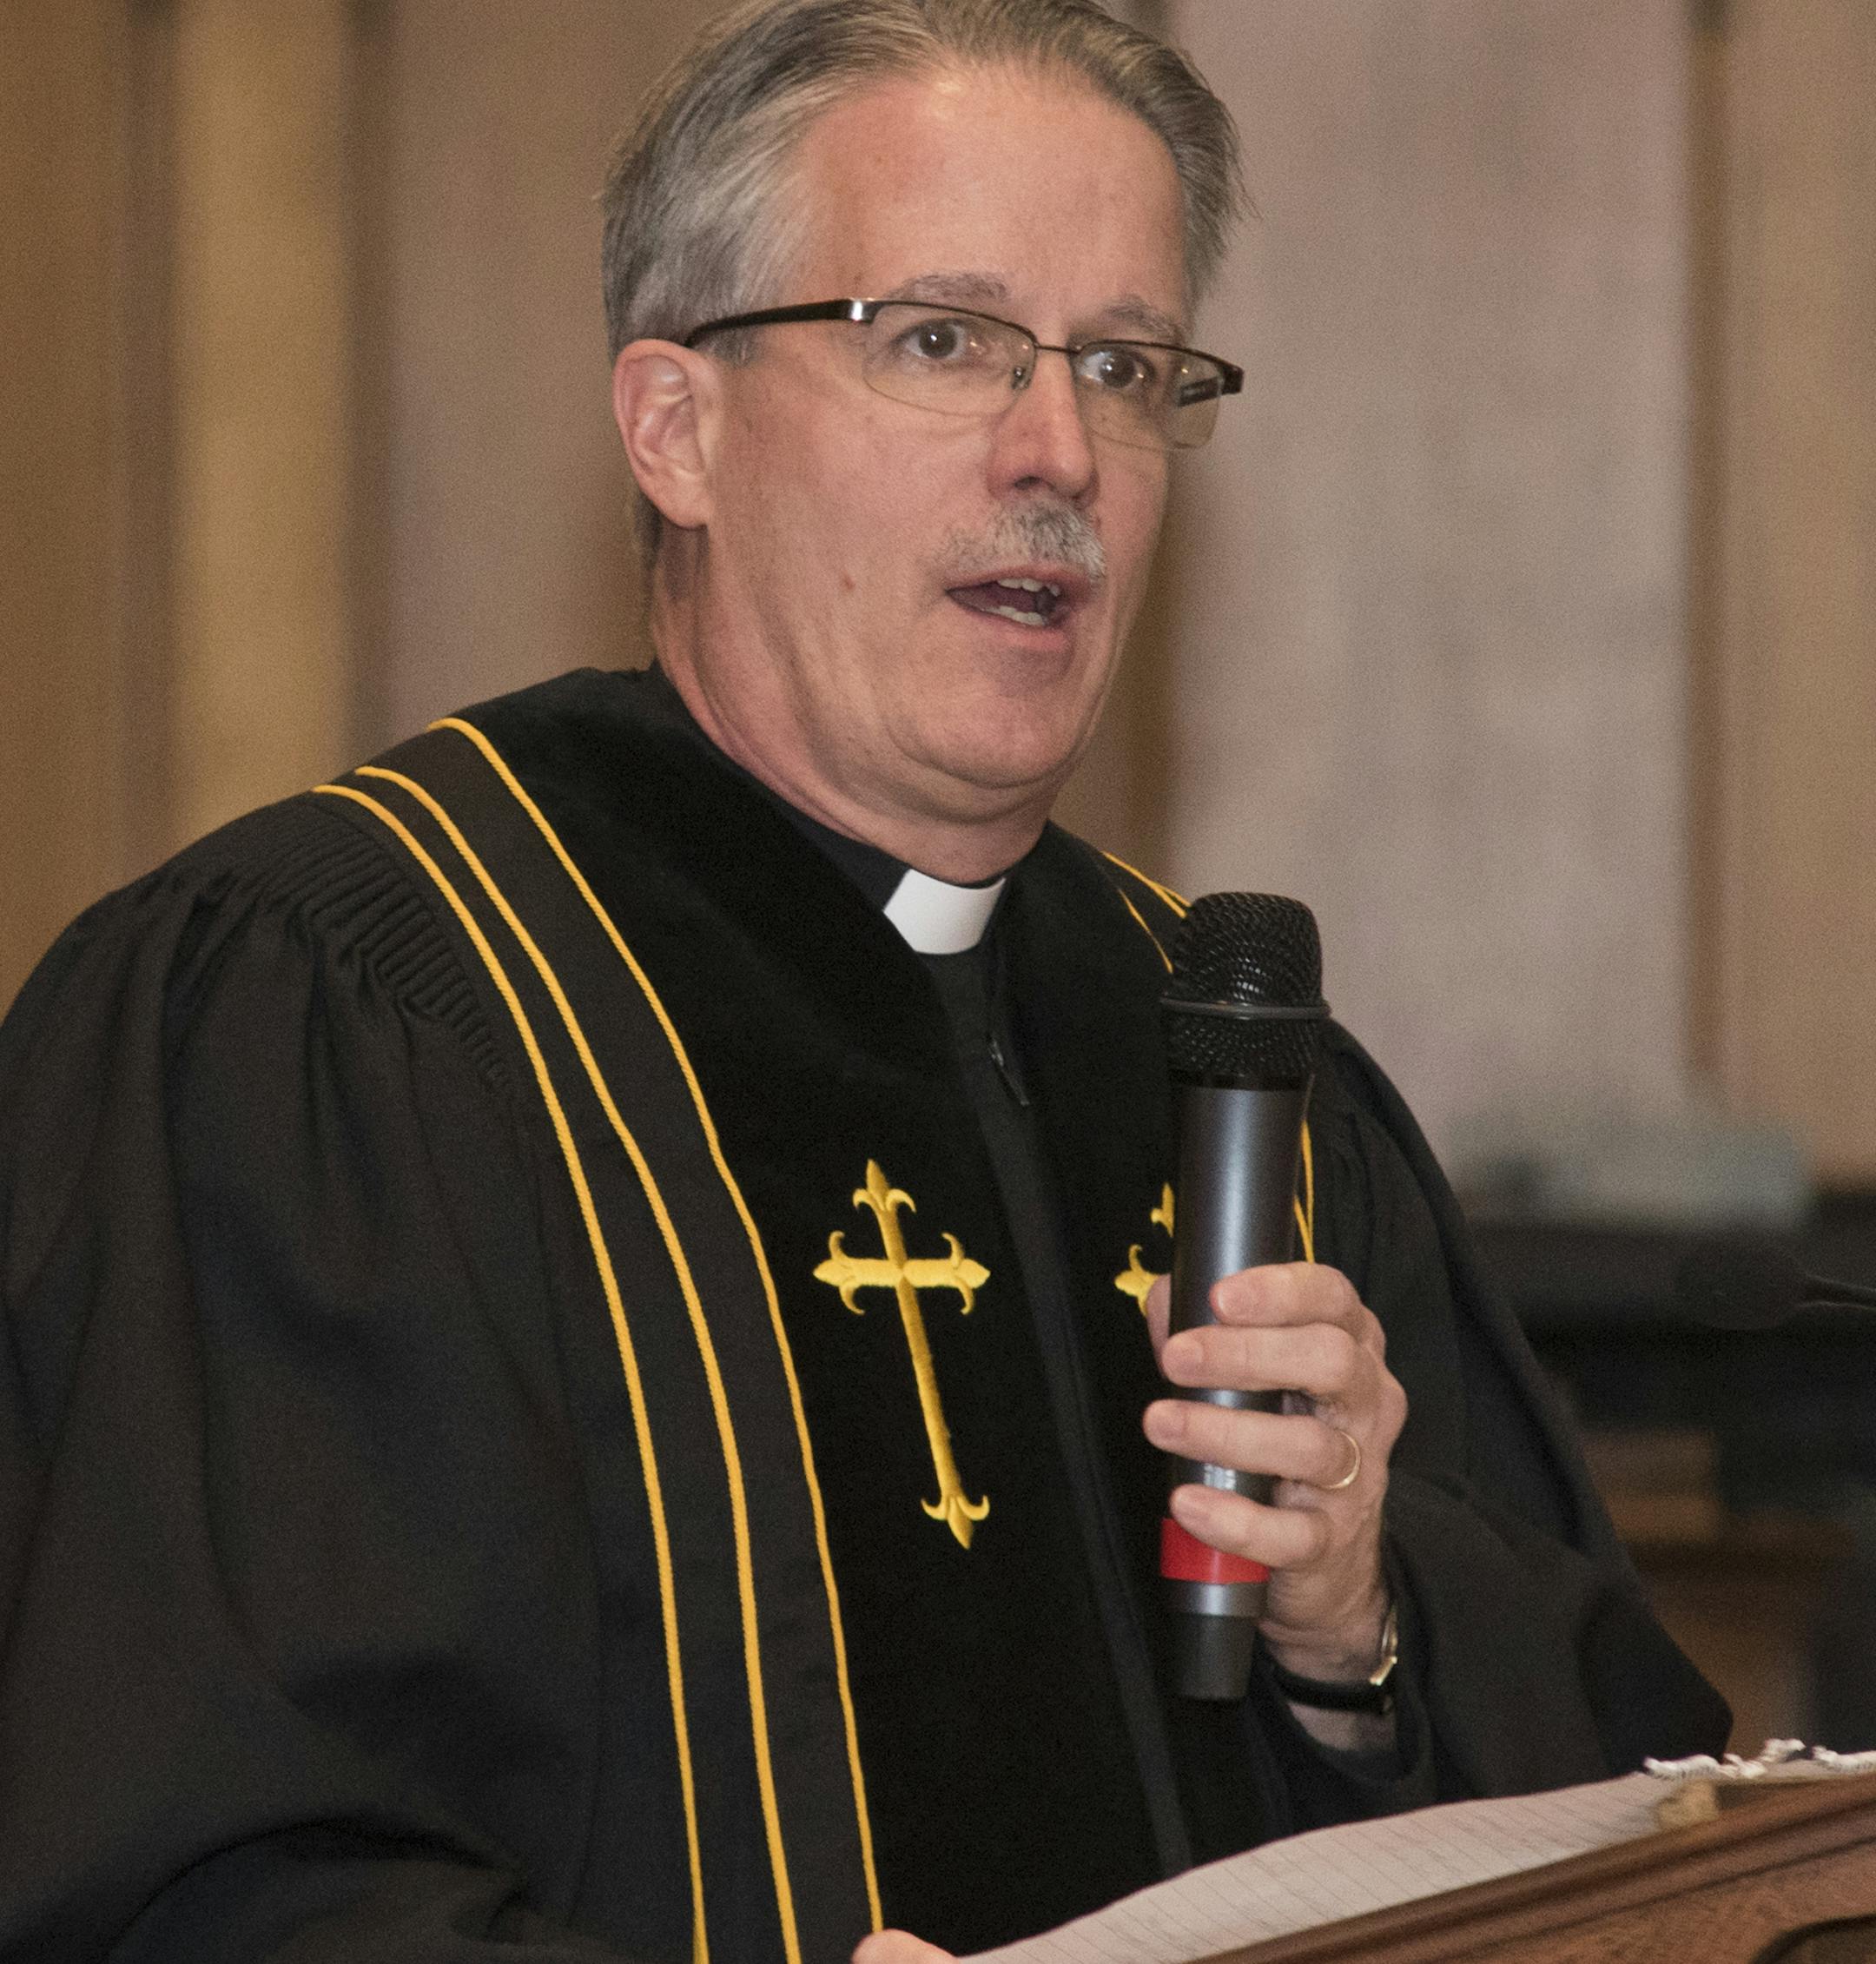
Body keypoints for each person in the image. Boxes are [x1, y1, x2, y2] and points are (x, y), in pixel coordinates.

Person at [0, 3, 1725, 1961]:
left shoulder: (1238, 1075)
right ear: (679, 428)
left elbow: (1647, 1835)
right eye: (943, 341)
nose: (1060, 447)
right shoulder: (344, 1019)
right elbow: (172, 1885)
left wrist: (1362, 1631)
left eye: (1126, 362)